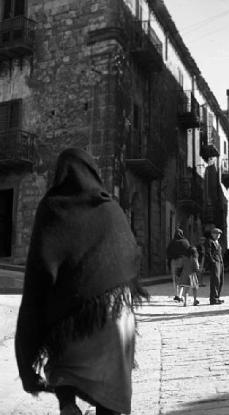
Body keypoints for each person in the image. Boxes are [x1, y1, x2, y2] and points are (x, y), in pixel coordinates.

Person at [15, 148, 148, 415]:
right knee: (110, 393)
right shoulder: (112, 208)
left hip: (75, 321)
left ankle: (67, 405)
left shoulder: (53, 207)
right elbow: (133, 255)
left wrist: (26, 359)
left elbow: (38, 279)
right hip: (116, 316)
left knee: (62, 346)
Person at [167, 227, 191, 302]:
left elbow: (168, 252)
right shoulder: (185, 242)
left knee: (175, 278)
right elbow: (189, 251)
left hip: (174, 262)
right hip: (183, 261)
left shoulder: (172, 242)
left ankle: (176, 294)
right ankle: (180, 295)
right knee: (181, 278)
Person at [205, 228, 225, 305]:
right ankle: (213, 299)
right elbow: (208, 253)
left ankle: (217, 297)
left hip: (220, 262)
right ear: (212, 234)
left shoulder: (217, 242)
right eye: (216, 234)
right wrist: (212, 261)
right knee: (215, 280)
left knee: (220, 280)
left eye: (219, 234)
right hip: (215, 263)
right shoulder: (209, 241)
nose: (218, 236)